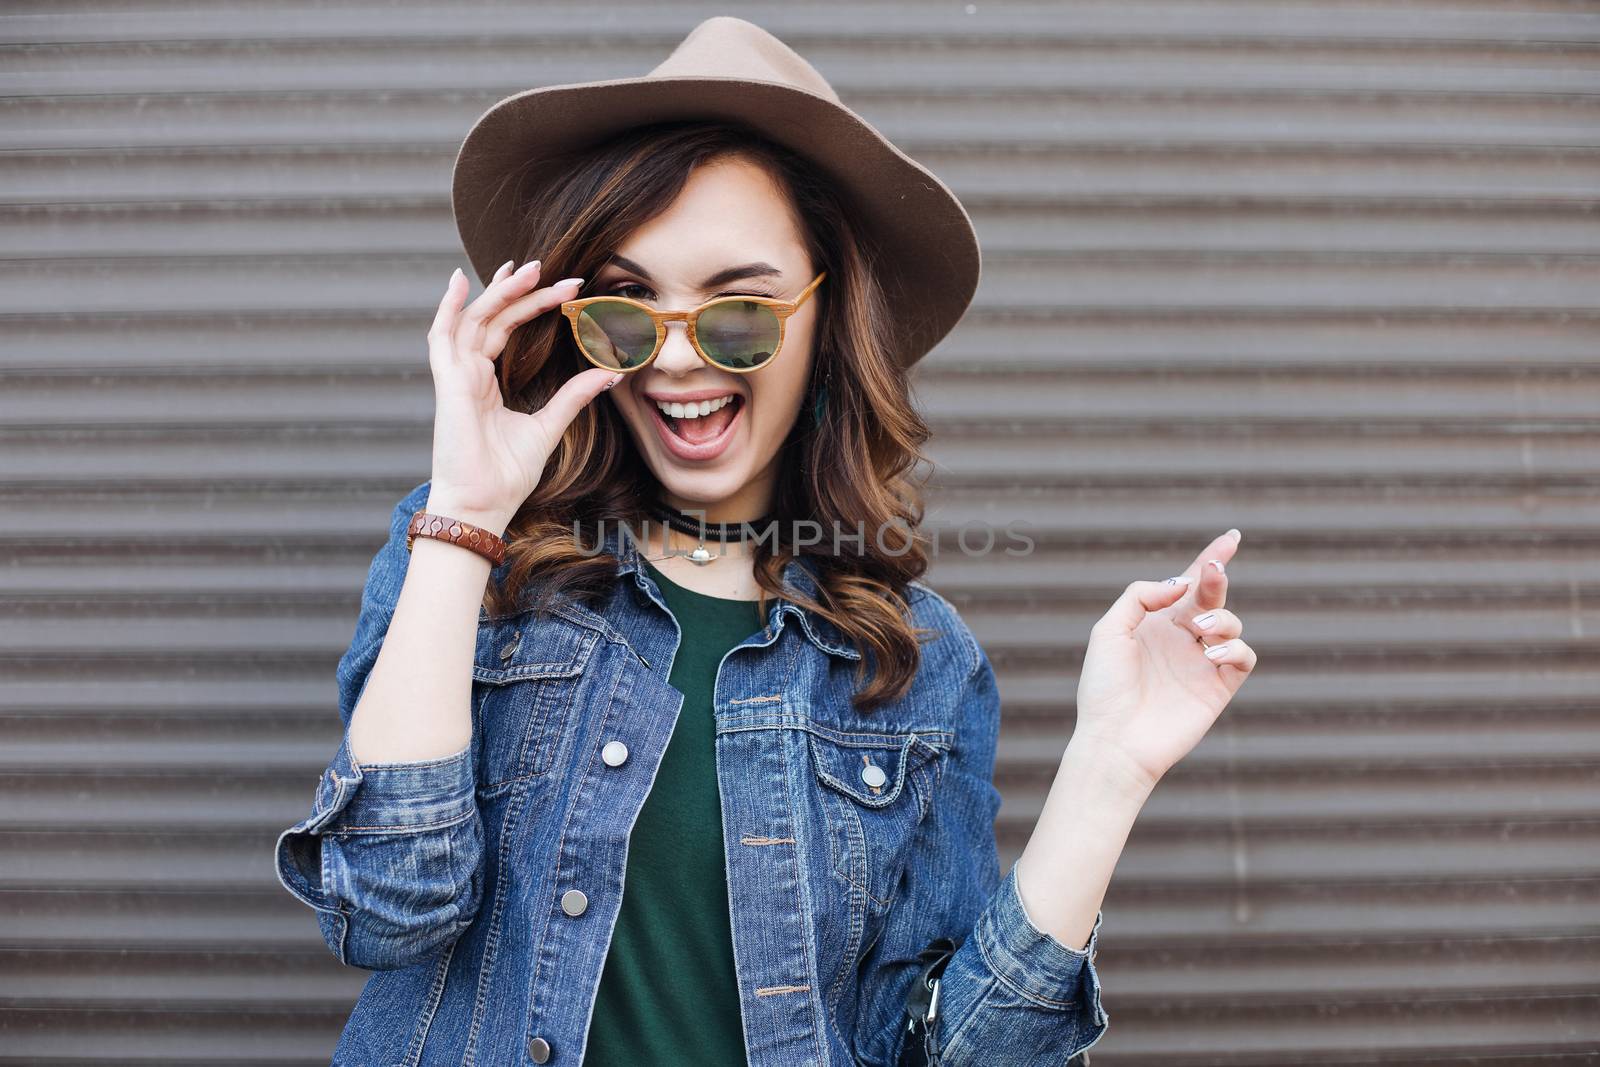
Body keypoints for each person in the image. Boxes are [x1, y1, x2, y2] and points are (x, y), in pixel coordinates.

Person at [273, 17, 1256, 1067]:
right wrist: (466, 512)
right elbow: (386, 908)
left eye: (739, 310)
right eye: (629, 306)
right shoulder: (474, 564)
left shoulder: (917, 659)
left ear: (826, 319)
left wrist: (1107, 769)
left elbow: (956, 1054)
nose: (677, 358)